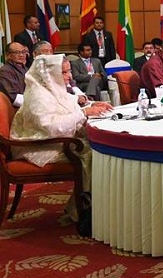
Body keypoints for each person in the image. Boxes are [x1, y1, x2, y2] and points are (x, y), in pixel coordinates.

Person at [10, 54, 113, 221]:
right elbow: (52, 128)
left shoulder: (52, 88)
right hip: (37, 146)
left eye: (69, 71)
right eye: (64, 72)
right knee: (94, 154)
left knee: (98, 149)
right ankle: (83, 211)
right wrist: (84, 112)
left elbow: (68, 104)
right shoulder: (38, 96)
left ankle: (90, 207)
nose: (69, 76)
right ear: (50, 74)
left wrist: (92, 105)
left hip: (54, 140)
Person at [0, 42, 29, 107]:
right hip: (17, 109)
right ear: (8, 55)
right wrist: (34, 102)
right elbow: (13, 97)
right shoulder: (5, 71)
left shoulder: (27, 69)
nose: (21, 55)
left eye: (23, 52)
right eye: (17, 52)